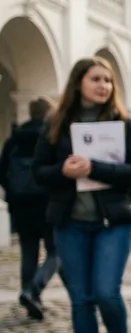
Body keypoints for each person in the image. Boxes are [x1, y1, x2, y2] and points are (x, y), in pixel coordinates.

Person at [32, 56, 131, 333]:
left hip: (113, 222)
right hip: (70, 224)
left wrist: (95, 168)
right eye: (96, 79)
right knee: (81, 300)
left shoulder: (123, 124)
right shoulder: (56, 124)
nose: (103, 86)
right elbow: (38, 172)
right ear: (78, 83)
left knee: (106, 292)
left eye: (108, 80)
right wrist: (62, 172)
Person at [0, 97, 59, 321]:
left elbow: (1, 171)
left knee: (29, 251)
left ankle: (29, 294)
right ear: (48, 113)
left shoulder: (14, 138)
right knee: (57, 250)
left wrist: (13, 194)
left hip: (21, 204)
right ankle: (34, 289)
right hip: (47, 202)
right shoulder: (51, 136)